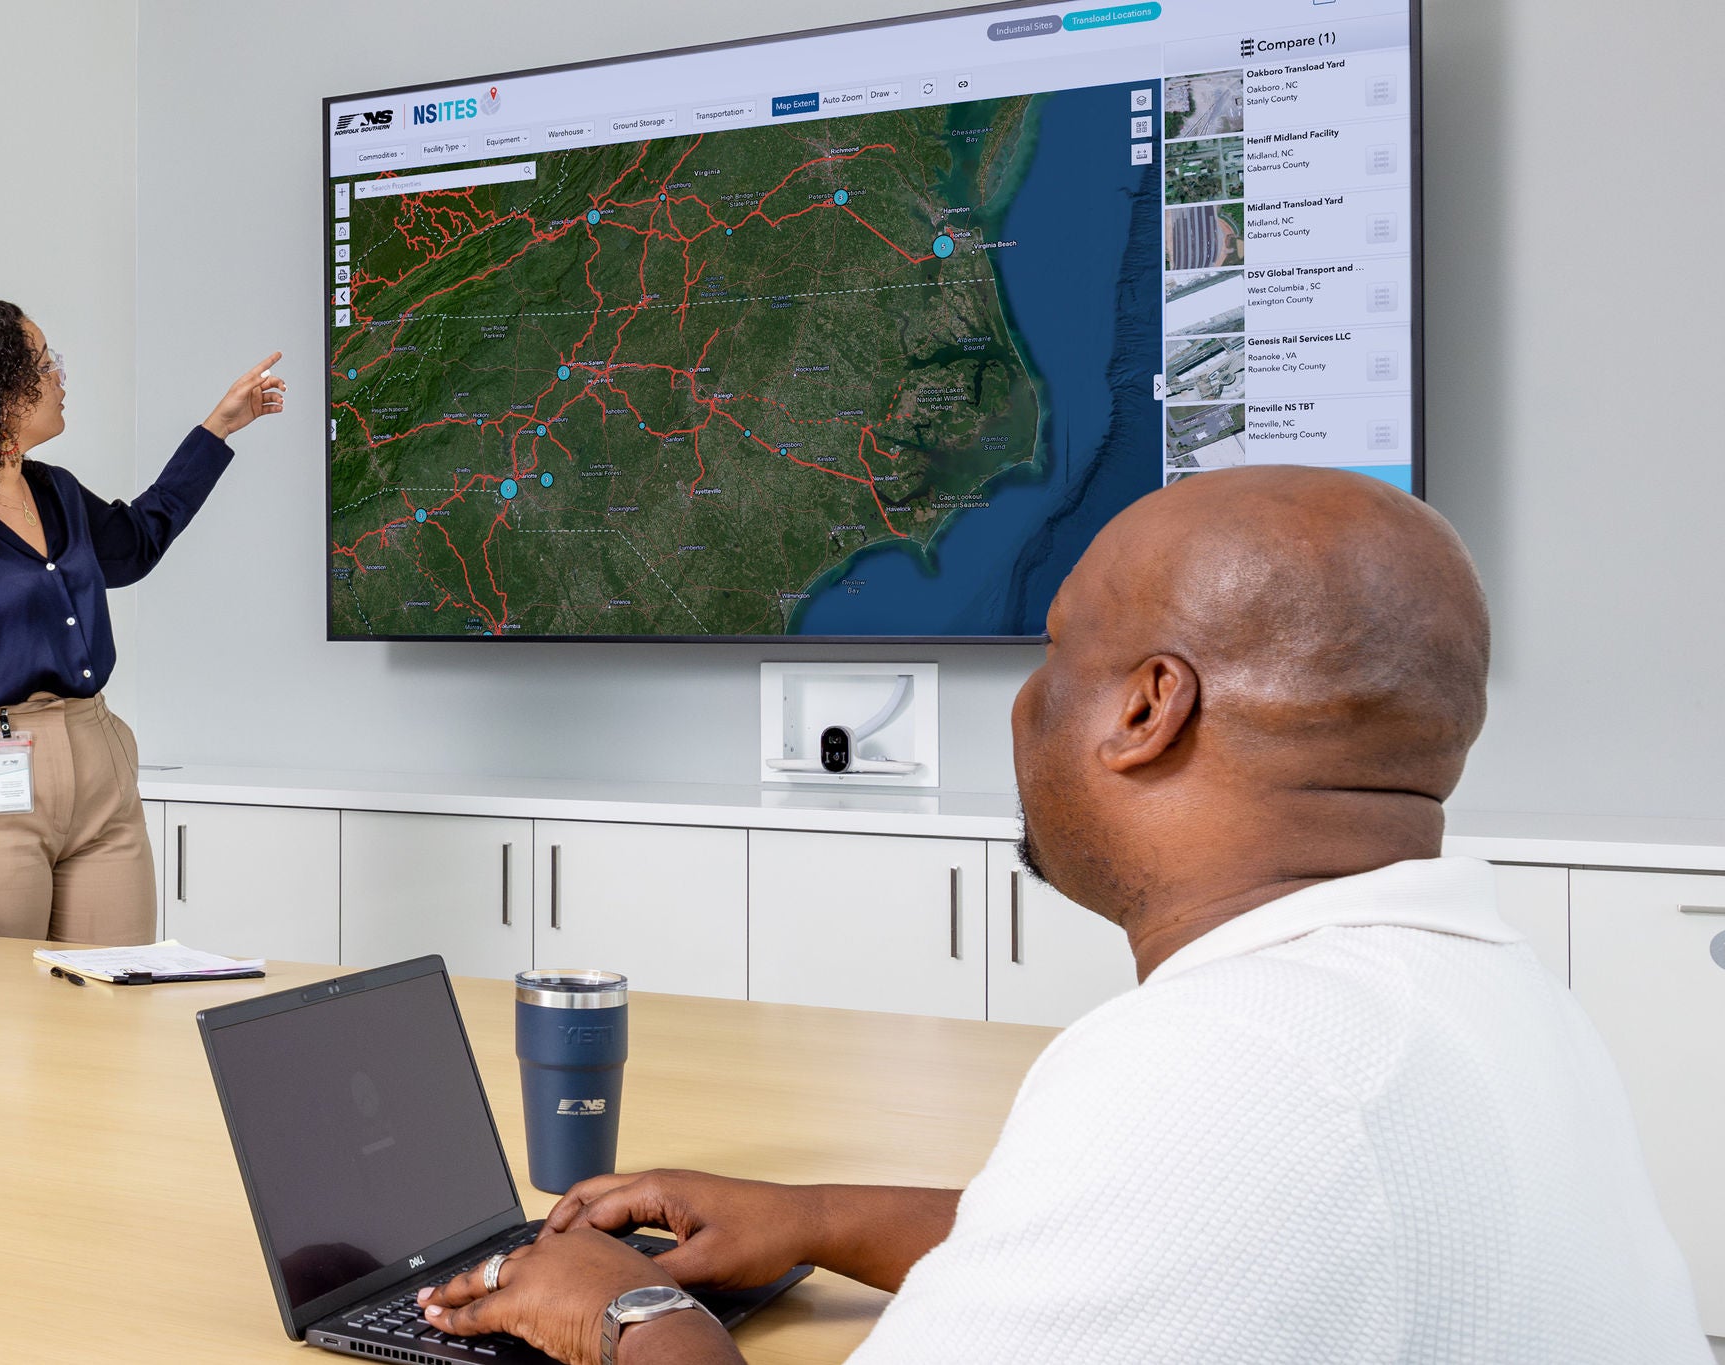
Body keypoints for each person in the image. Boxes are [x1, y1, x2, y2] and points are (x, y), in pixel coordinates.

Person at [413, 466, 1710, 1364]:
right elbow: (1155, 1245)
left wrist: (631, 1308)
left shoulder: (1230, 1068)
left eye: (1055, 653)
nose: (1028, 705)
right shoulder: (1472, 991)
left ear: (1149, 709)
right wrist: (814, 1218)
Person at [0, 293, 284, 945]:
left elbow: (137, 542)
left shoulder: (57, 492)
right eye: (45, 363)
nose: (59, 376)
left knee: (120, 999)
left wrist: (217, 428)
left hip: (100, 770)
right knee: (2, 1027)